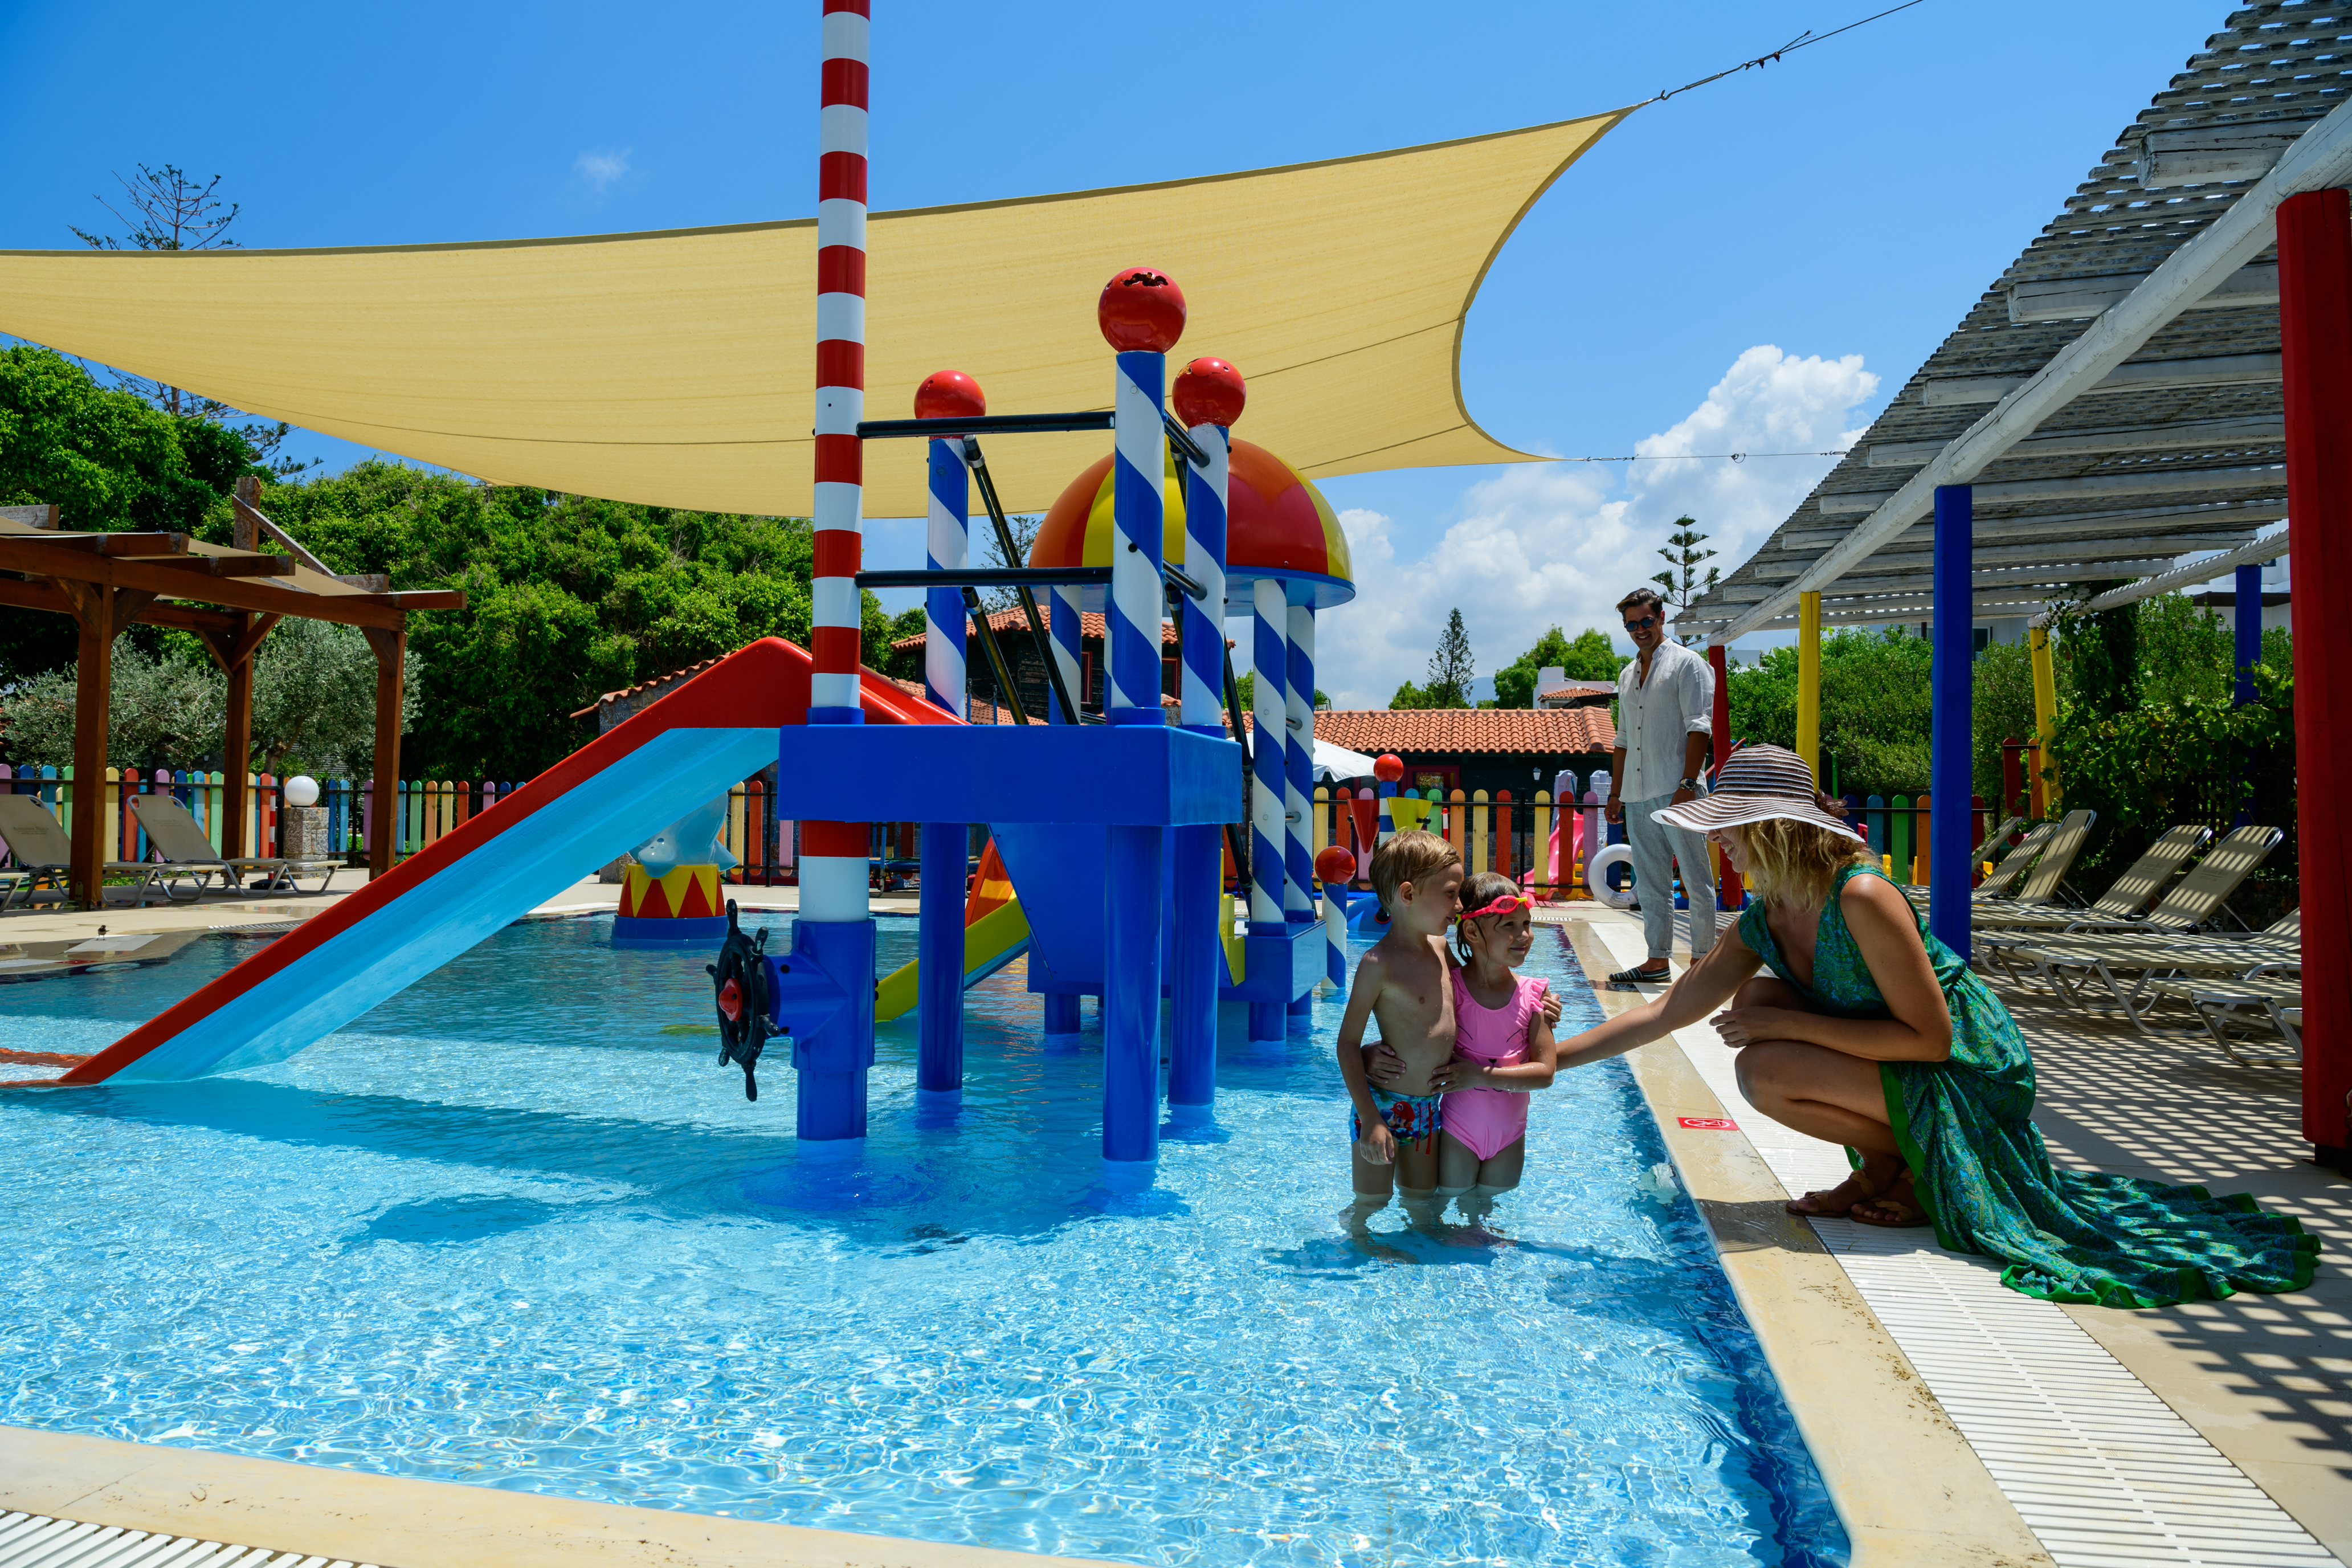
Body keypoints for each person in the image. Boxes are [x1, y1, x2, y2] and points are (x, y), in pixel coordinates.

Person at [1548, 743, 2317, 1307]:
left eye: (1732, 826)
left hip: (1968, 1069)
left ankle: (1917, 1170)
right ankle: (1890, 1168)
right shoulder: (1769, 914)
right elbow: (1665, 1010)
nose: (1719, 840)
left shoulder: (1861, 897)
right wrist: (1545, 1059)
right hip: (1896, 1061)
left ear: (1777, 829)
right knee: (1756, 1020)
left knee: (1768, 1061)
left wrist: (1801, 1033)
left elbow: (1932, 1040)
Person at [1334, 830, 1465, 1220]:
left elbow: (1480, 994)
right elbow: (1346, 1044)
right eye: (1450, 893)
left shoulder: (1443, 950)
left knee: (1421, 1203)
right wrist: (1371, 1119)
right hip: (1382, 1108)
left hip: (1429, 1108)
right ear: (1408, 895)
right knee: (1371, 1203)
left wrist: (1534, 1001)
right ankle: (1359, 1238)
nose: (1458, 905)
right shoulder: (1378, 966)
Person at [1604, 587, 1717, 984]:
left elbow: (1699, 727)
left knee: (1695, 878)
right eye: (1631, 625)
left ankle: (1703, 961)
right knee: (1650, 884)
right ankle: (1657, 961)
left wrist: (1688, 783)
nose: (1639, 630)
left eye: (1646, 621)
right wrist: (1615, 793)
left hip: (1678, 789)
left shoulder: (1688, 665)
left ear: (1662, 617)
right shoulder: (1626, 674)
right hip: (1636, 794)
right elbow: (1621, 740)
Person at [1432, 872, 1557, 1218]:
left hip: (1510, 1139)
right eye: (1510, 926)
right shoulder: (1450, 990)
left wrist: (1482, 1075)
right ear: (1472, 932)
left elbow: (1545, 1072)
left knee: (1489, 1216)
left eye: (1527, 924)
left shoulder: (1536, 994)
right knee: (1442, 1212)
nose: (1525, 936)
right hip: (1459, 1133)